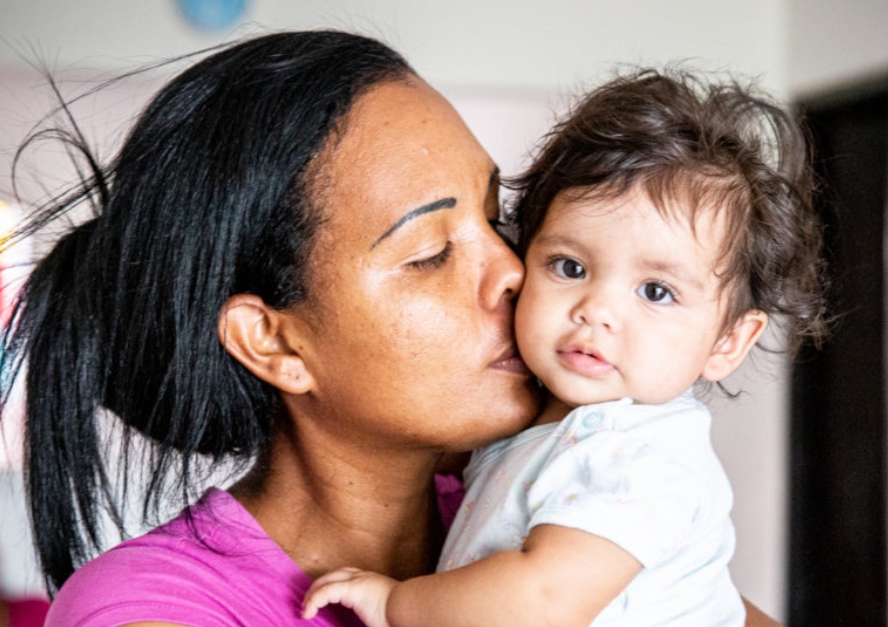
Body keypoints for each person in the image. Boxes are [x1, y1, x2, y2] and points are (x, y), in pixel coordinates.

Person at [0, 31, 783, 626]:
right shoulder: (151, 608)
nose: (514, 271)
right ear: (275, 341)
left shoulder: (544, 504)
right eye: (432, 252)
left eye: (496, 216)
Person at [302, 67, 827, 626]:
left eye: (656, 291)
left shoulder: (638, 457)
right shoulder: (540, 432)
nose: (596, 309)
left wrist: (393, 604)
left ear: (729, 340)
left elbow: (541, 603)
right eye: (570, 267)